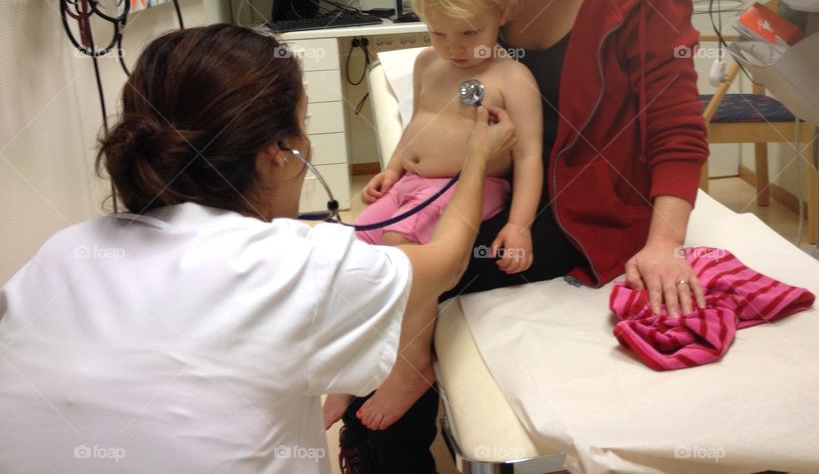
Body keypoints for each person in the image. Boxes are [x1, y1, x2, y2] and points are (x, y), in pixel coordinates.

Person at [338, 0, 710, 474]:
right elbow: (481, 80)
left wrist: (663, 245)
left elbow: (677, 131)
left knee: (410, 278)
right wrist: (453, 149)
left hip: (577, 213)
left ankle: (386, 443)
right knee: (375, 262)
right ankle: (377, 436)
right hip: (498, 188)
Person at [0, 24, 516, 474]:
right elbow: (446, 263)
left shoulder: (64, 252)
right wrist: (478, 159)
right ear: (279, 153)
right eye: (305, 127)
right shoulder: (295, 267)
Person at [323, 0, 542, 432]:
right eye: (439, 33)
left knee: (403, 255)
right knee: (354, 250)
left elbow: (528, 156)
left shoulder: (512, 76)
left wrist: (520, 225)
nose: (455, 48)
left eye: (470, 32)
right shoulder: (427, 62)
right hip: (413, 186)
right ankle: (359, 359)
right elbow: (417, 122)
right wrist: (394, 168)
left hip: (468, 188)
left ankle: (412, 366)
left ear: (501, 10)